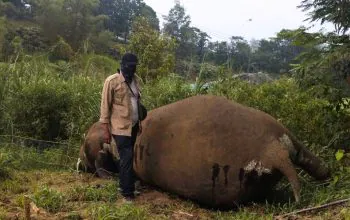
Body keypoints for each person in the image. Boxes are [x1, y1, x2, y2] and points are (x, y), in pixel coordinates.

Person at [99, 53, 141, 202]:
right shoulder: (112, 81)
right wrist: (105, 130)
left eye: (134, 66)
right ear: (123, 65)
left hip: (133, 126)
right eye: (130, 66)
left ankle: (124, 184)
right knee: (127, 156)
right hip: (120, 127)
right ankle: (126, 192)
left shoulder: (136, 80)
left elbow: (135, 101)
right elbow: (105, 107)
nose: (132, 69)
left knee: (127, 157)